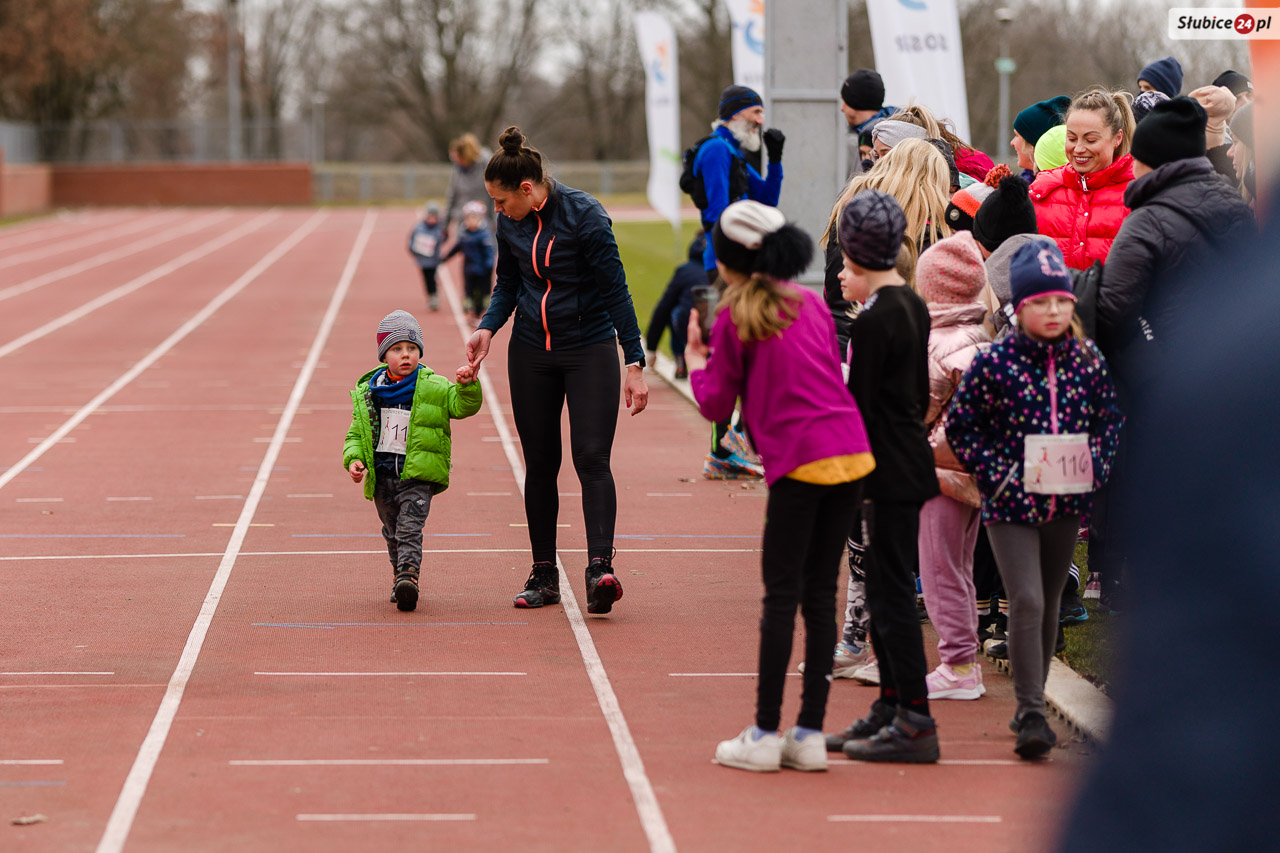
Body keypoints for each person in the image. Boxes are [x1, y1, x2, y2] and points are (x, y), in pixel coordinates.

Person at [684, 200, 873, 773]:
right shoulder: (810, 302)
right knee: (819, 596)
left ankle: (765, 733)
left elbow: (715, 403)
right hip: (851, 453)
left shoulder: (735, 315)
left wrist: (696, 360)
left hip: (799, 463)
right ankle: (808, 733)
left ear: (728, 259)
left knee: (780, 598)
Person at [947, 242, 1123, 759]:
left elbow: (1109, 421)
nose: (1052, 311)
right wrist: (996, 473)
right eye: (1040, 302)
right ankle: (1029, 711)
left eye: (1061, 301)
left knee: (1046, 601)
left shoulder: (1086, 360)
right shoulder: (995, 362)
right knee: (1025, 598)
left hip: (1065, 501)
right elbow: (962, 426)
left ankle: (1035, 695)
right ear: (1018, 307)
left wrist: (1095, 468)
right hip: (1010, 505)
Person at [465, 126, 648, 615]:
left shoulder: (586, 215)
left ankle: (600, 570)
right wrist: (487, 328)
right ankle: (543, 573)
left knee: (592, 459)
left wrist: (634, 362)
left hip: (589, 349)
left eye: (502, 201)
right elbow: (507, 284)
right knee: (541, 464)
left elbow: (616, 291)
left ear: (527, 188)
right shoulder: (509, 223)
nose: (497, 210)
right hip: (531, 352)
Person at [1092, 96, 1256, 614]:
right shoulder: (1235, 205)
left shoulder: (1147, 219)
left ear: (1152, 160)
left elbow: (1112, 307)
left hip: (1160, 382)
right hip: (1230, 374)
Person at [824, 190, 940, 764]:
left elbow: (859, 410)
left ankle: (914, 718)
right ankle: (891, 704)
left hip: (886, 472)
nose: (838, 275)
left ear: (861, 256)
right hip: (904, 464)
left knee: (891, 597)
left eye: (844, 262)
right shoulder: (911, 303)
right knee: (886, 591)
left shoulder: (874, 322)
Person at [343, 310, 483, 612]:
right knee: (392, 531)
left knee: (409, 528)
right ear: (384, 356)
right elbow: (356, 432)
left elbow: (462, 407)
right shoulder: (370, 393)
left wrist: (467, 386)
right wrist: (354, 458)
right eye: (396, 349)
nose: (405, 355)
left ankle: (409, 577)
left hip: (418, 475)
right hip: (382, 476)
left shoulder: (435, 387)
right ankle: (399, 576)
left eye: (411, 348)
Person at [689, 84, 784, 478]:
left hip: (745, 262)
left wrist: (775, 159)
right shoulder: (716, 150)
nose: (761, 121)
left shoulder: (734, 152)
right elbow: (717, 214)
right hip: (727, 265)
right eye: (755, 113)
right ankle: (723, 449)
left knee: (754, 347)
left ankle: (733, 445)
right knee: (733, 349)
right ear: (734, 114)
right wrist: (740, 253)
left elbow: (767, 201)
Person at [915, 232, 992, 701]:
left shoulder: (938, 343)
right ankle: (965, 660)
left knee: (939, 569)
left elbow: (918, 407)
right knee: (959, 567)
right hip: (969, 473)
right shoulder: (980, 337)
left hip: (940, 472)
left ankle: (958, 663)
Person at [1029, 89, 1136, 270]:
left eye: (1091, 140)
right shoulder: (1041, 190)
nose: (1078, 149)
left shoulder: (1139, 195)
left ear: (1117, 138)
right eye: (1071, 138)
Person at [644, 231, 707, 379]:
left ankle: (680, 358)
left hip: (689, 325)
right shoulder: (724, 268)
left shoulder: (685, 270)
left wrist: (651, 348)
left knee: (674, 310)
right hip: (719, 326)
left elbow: (663, 308)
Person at [884, 103, 994, 181]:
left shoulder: (958, 178)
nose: (881, 162)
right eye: (876, 155)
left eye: (886, 154)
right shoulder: (956, 163)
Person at [443, 200, 496, 326]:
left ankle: (479, 313)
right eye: (468, 219)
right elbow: (457, 247)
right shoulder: (464, 234)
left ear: (480, 219)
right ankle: (470, 310)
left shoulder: (484, 236)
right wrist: (445, 257)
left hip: (482, 271)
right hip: (468, 269)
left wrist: (489, 266)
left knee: (481, 294)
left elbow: (489, 252)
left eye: (474, 219)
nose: (471, 222)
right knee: (469, 292)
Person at [841, 69, 897, 177]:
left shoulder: (883, 140)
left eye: (845, 102)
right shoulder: (896, 129)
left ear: (855, 103)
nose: (842, 108)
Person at [1011, 96, 1072, 182]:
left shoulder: (1043, 187)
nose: (1012, 143)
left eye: (1017, 136)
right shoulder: (1022, 185)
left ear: (1034, 144)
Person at [444, 132, 494, 233]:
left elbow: (495, 195)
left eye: (458, 158)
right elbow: (452, 195)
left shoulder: (486, 165)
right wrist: (445, 224)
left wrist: (496, 222)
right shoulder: (458, 169)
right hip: (463, 223)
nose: (456, 162)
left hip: (484, 223)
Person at [408, 203, 445, 311]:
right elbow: (412, 241)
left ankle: (434, 296)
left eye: (434, 217)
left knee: (432, 278)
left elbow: (442, 240)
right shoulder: (419, 228)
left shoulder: (439, 229)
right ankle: (430, 294)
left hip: (433, 260)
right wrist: (413, 250)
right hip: (423, 260)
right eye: (430, 217)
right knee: (426, 279)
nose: (432, 219)